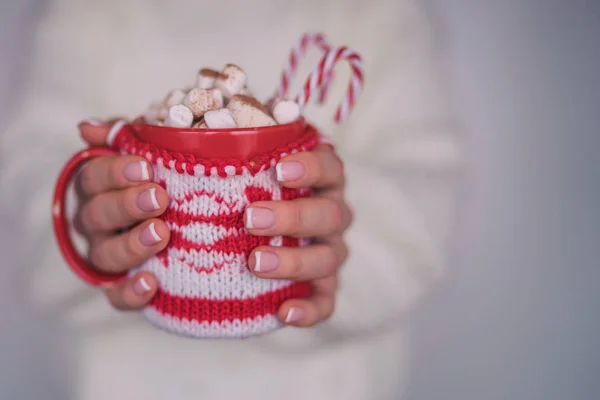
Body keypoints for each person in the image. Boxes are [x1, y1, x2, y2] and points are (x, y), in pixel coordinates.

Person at [0, 0, 461, 398]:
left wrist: (333, 233)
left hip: (329, 385)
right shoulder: (88, 12)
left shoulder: (377, 12)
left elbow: (425, 210)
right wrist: (96, 217)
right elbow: (27, 175)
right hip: (130, 386)